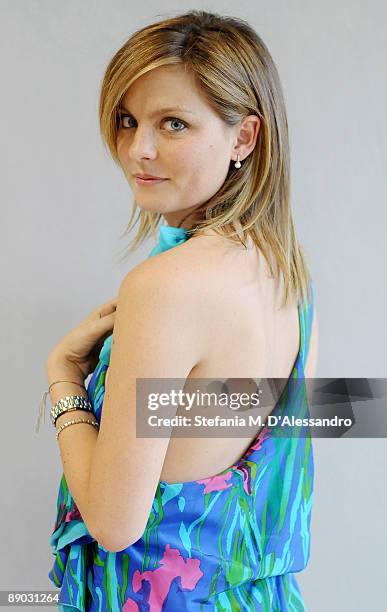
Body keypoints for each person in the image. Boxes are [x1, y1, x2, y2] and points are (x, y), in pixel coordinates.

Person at [45, 9, 318, 611]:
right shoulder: (289, 279)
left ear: (244, 138)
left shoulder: (165, 287)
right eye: (126, 120)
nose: (138, 149)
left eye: (173, 123)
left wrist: (64, 382)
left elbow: (115, 524)